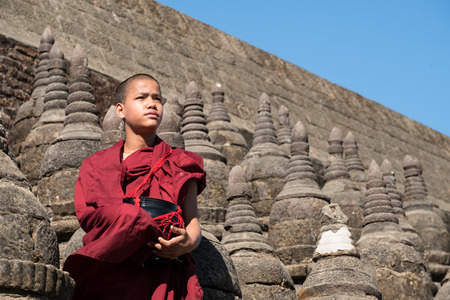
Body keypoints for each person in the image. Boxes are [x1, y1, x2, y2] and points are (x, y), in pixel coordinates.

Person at [63, 74, 206, 299]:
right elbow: (89, 218)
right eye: (141, 97)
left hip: (162, 272)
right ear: (121, 110)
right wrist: (131, 219)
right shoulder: (96, 165)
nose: (152, 104)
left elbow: (193, 221)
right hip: (108, 271)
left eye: (157, 99)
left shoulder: (181, 162)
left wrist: (187, 243)